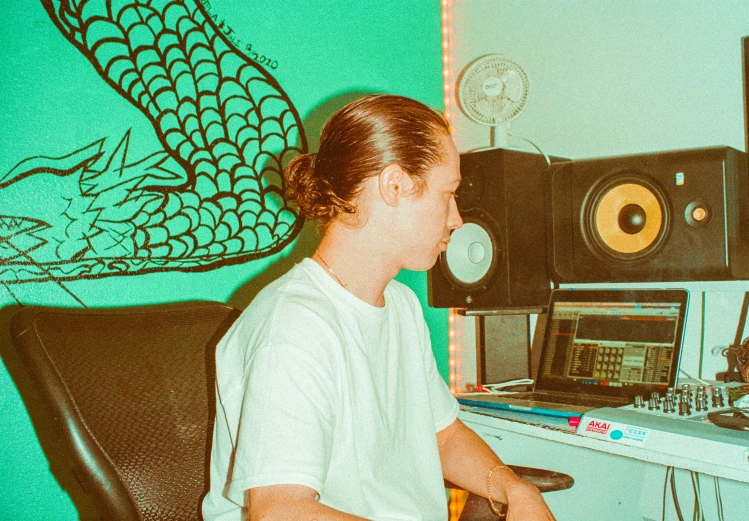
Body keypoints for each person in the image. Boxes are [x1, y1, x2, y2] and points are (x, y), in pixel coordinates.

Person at [202, 94, 557, 521]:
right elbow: (279, 511)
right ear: (393, 186)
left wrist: (514, 490)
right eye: (448, 194)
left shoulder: (402, 306)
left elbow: (442, 435)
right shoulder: (294, 326)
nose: (456, 218)